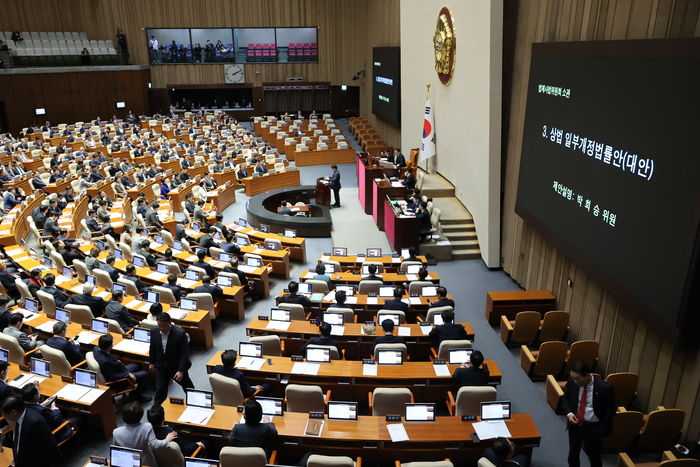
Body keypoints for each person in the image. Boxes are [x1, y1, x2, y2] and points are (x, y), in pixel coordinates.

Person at [563, 361, 616, 467]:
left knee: (594, 458)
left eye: (577, 378)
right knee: (573, 455)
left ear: (587, 375)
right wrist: (569, 413)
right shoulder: (572, 381)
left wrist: (599, 429)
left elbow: (611, 411)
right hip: (575, 425)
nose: (575, 381)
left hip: (593, 428)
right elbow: (566, 397)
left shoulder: (605, 388)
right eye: (573, 378)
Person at [1, 395, 61, 467]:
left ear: (14, 412)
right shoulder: (18, 418)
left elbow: (47, 450)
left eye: (4, 414)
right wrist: (17, 458)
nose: (4, 417)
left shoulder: (35, 422)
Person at [149, 312, 194, 406]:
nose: (161, 328)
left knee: (188, 388)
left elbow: (184, 354)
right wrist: (151, 362)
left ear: (170, 322)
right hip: (161, 368)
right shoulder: (154, 331)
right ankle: (155, 414)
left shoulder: (180, 333)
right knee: (160, 391)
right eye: (159, 325)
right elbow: (152, 347)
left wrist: (181, 370)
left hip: (176, 367)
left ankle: (196, 404)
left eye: (164, 325)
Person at [113, 402, 176, 467]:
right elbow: (156, 445)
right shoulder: (147, 427)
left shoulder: (116, 432)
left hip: (128, 462)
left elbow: (117, 451)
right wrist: (167, 440)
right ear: (141, 415)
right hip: (146, 462)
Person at [94, 334, 150, 402]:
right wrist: (128, 375)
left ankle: (133, 393)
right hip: (118, 381)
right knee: (144, 374)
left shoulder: (96, 348)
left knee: (138, 365)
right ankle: (138, 396)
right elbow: (112, 377)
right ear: (108, 347)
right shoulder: (105, 361)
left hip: (118, 369)